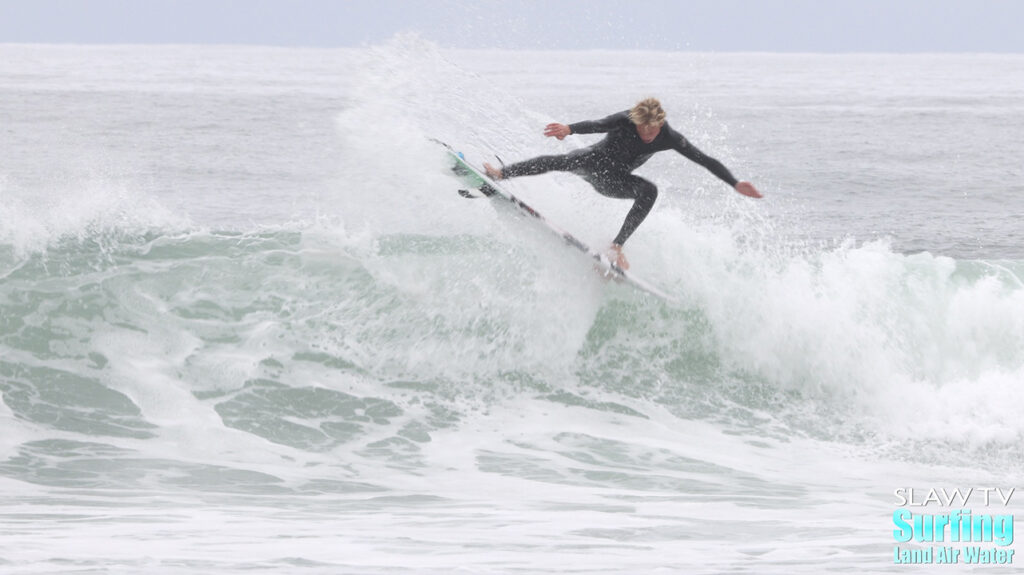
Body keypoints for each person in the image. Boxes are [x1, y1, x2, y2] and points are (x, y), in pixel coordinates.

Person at [484, 98, 761, 270]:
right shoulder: (625, 120)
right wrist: (569, 129)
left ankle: (616, 247)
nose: (649, 135)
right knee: (563, 161)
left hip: (616, 182)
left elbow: (703, 159)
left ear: (661, 123)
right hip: (594, 162)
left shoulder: (669, 137)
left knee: (649, 191)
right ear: (636, 122)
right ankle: (501, 173)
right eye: (644, 129)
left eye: (653, 130)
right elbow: (597, 123)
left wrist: (735, 183)